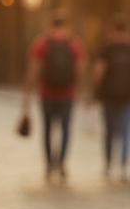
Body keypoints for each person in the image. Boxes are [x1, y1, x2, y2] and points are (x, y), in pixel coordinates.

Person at [21, 9, 86, 180]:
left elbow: (34, 69)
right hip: (68, 93)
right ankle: (62, 162)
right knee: (65, 129)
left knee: (48, 129)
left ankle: (50, 164)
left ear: (50, 24)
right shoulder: (74, 43)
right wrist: (79, 88)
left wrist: (28, 91)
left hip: (46, 93)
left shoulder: (41, 43)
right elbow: (80, 68)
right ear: (65, 25)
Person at [93, 13, 130, 180]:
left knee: (109, 131)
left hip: (108, 95)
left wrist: (95, 91)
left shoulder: (106, 48)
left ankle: (108, 165)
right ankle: (123, 166)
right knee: (124, 132)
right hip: (126, 96)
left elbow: (99, 71)